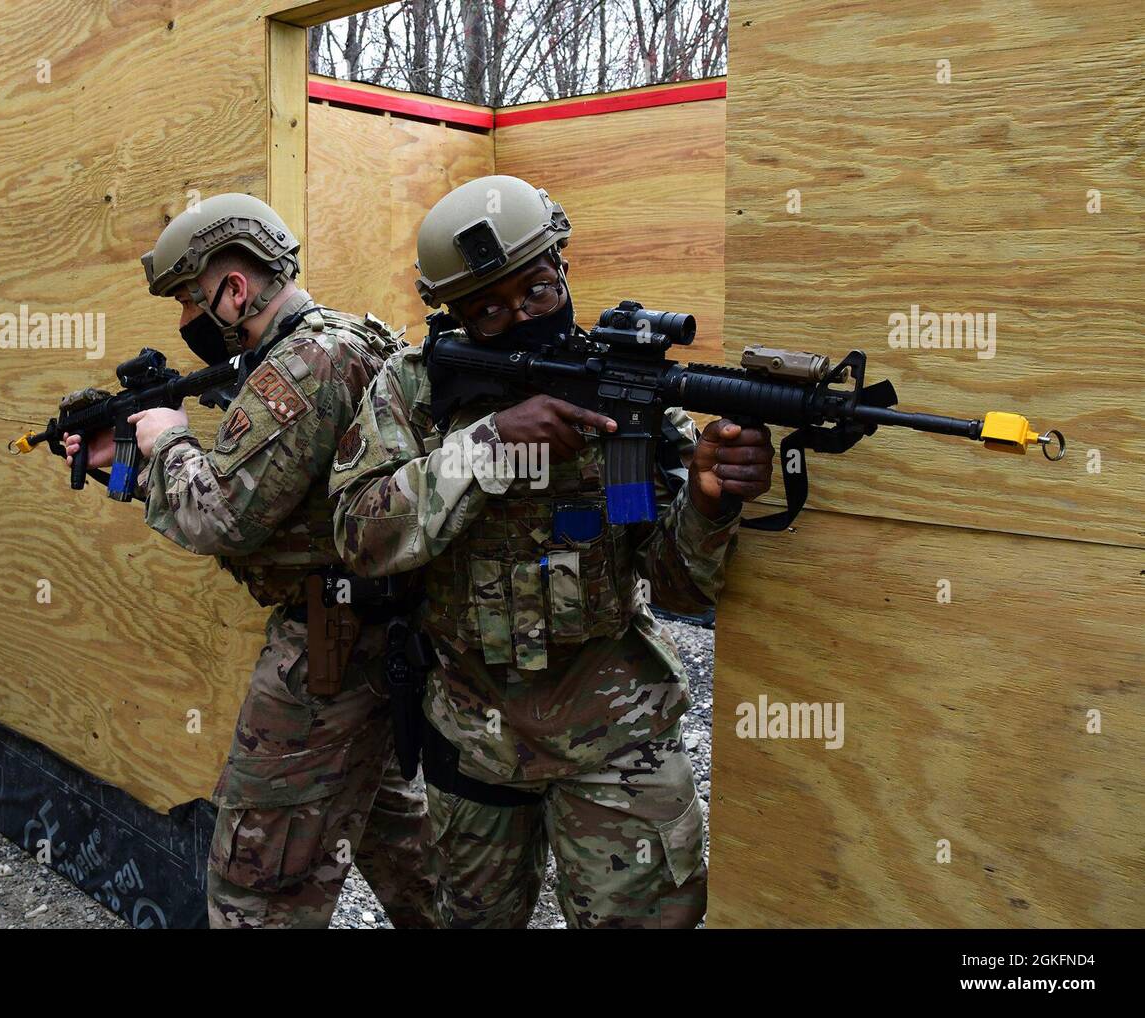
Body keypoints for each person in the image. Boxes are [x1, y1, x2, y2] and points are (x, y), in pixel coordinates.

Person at [329, 175, 775, 928]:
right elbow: (358, 536)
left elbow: (680, 588)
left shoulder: (621, 401)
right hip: (473, 734)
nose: (523, 317)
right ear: (455, 316)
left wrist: (706, 501)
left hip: (615, 734)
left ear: (562, 269)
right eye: (489, 309)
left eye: (537, 291)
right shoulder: (413, 390)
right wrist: (488, 445)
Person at [65, 193, 436, 928]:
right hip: (385, 638)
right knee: (408, 852)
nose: (183, 323)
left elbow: (223, 514)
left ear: (234, 291)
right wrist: (129, 467)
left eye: (187, 301)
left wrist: (167, 439)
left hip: (331, 655)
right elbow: (278, 501)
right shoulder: (345, 337)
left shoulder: (301, 367)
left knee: (256, 886)